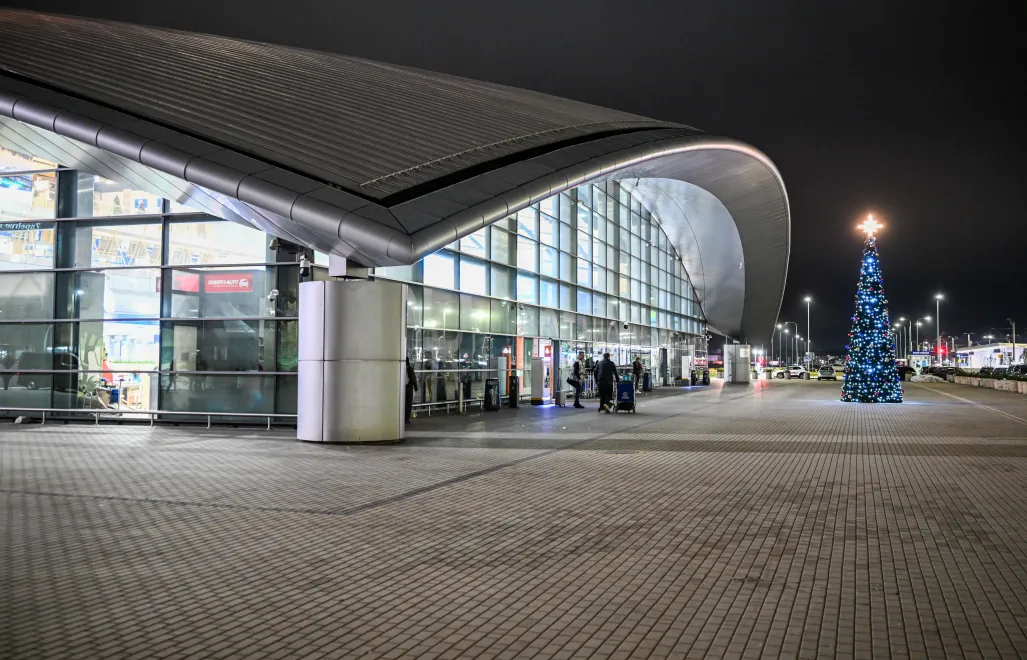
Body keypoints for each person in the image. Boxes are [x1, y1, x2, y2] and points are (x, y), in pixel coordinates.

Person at [405, 357, 418, 424]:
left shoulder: (400, 368)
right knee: (408, 404)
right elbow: (413, 378)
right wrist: (416, 387)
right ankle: (406, 419)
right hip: (408, 388)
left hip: (402, 388)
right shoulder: (409, 368)